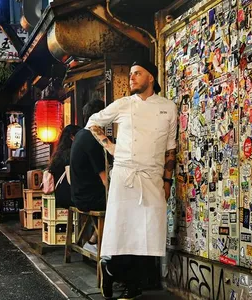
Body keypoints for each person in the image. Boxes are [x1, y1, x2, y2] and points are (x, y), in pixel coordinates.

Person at [86, 60, 177, 299]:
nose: (131, 78)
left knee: (147, 230)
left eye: (137, 73)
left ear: (151, 78)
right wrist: (110, 145)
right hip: (125, 174)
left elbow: (170, 149)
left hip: (152, 177)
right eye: (130, 74)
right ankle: (123, 278)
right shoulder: (124, 104)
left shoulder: (168, 108)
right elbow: (93, 123)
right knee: (124, 229)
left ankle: (118, 273)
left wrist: (168, 182)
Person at [70, 99, 107, 252]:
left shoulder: (80, 135)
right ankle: (103, 247)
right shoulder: (92, 139)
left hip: (78, 195)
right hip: (88, 198)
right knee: (121, 203)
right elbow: (105, 179)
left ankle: (93, 241)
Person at [47, 124, 82, 208]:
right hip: (69, 196)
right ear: (72, 137)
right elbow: (72, 180)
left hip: (60, 196)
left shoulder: (58, 154)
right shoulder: (71, 153)